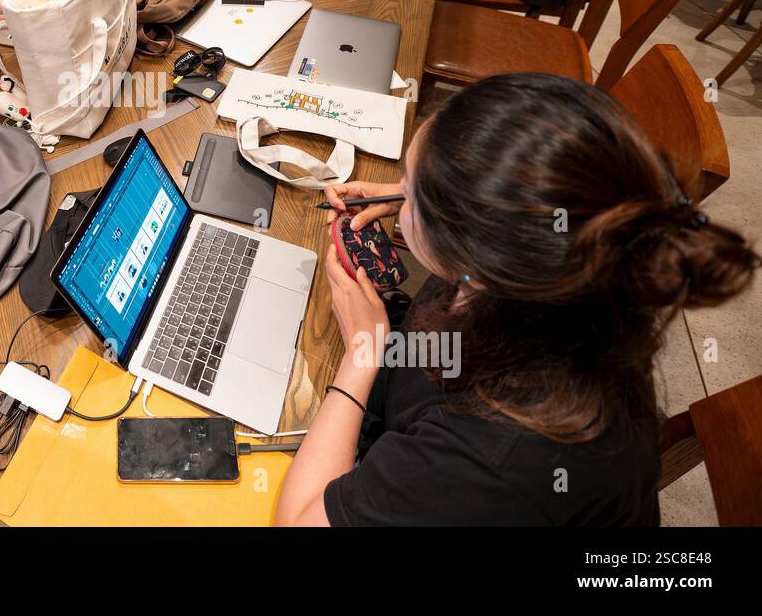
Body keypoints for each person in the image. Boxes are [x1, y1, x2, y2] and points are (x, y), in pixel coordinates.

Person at [273, 73, 758, 526]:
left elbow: (297, 523)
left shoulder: (495, 455)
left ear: (478, 253)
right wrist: (428, 194)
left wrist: (362, 353)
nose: (398, 201)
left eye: (411, 189)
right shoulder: (565, 275)